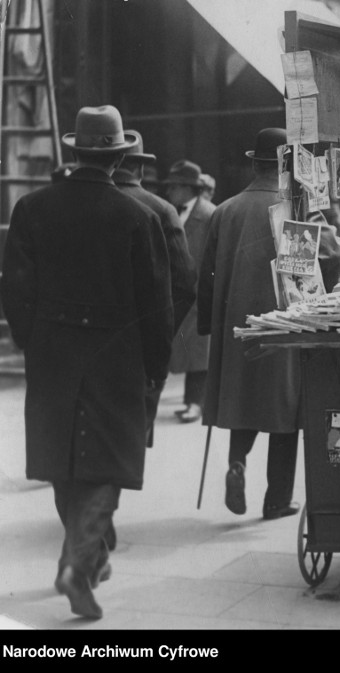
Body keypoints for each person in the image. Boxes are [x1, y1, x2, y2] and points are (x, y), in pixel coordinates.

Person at [0, 105, 173, 619]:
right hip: (115, 355)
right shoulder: (138, 216)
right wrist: (155, 366)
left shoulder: (31, 209)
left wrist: (35, 339)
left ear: (75, 153)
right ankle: (79, 562)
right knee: (107, 465)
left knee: (61, 458)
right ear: (120, 156)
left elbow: (13, 290)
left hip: (52, 350)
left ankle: (81, 557)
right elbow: (156, 304)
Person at [197, 128, 340, 521]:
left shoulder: (225, 209)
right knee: (285, 406)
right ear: (288, 164)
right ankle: (277, 499)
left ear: (254, 162)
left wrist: (207, 324)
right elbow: (334, 256)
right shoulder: (296, 207)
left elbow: (206, 274)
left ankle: (237, 463)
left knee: (243, 397)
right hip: (285, 321)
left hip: (236, 323)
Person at [113, 130, 198, 448]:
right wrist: (160, 332)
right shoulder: (162, 210)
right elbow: (186, 285)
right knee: (131, 440)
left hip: (90, 344)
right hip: (144, 342)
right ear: (139, 168)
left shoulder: (84, 204)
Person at [163, 159, 216, 423]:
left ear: (187, 188)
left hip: (199, 291)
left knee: (199, 349)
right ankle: (190, 401)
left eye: (173, 186)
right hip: (180, 292)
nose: (169, 192)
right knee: (186, 347)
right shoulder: (172, 211)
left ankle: (196, 403)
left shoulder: (208, 214)